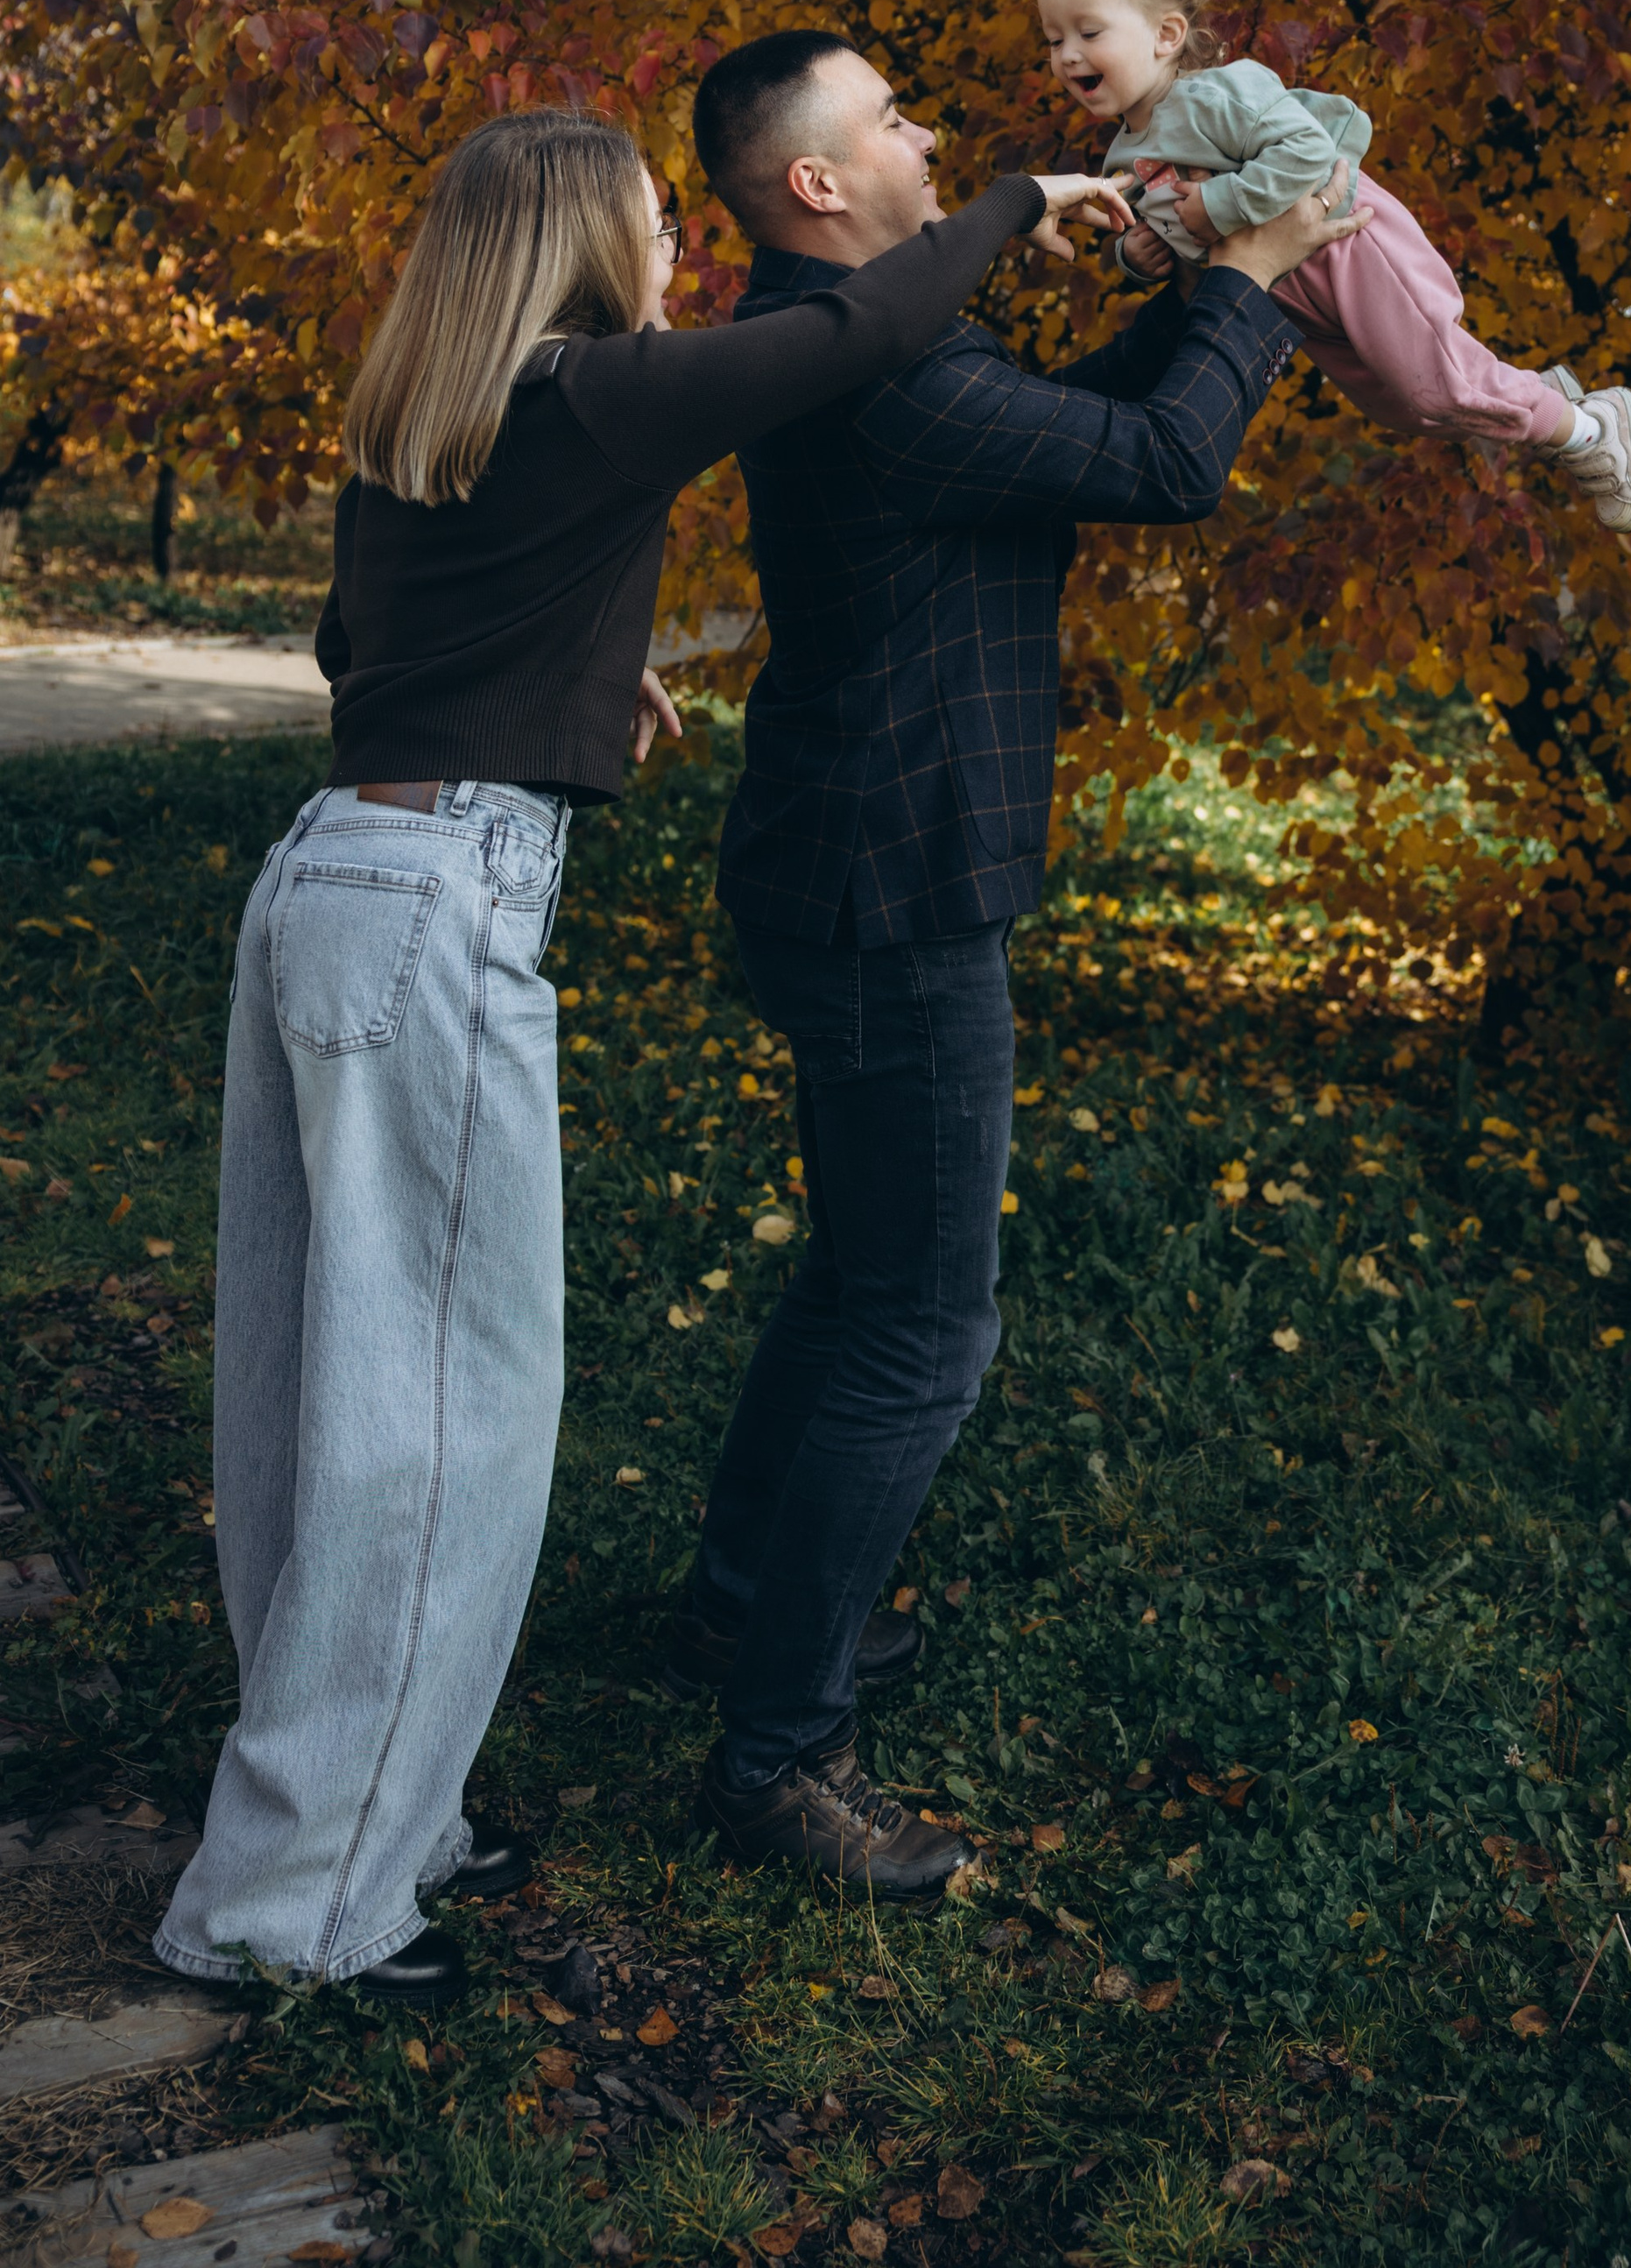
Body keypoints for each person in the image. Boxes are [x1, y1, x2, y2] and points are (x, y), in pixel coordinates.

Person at [152, 103, 1131, 2010]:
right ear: (591, 243)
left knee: (317, 1393)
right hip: (434, 905)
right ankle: (290, 1910)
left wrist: (584, 684)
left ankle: (375, 1818)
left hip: (336, 871)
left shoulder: (428, 403)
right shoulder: (599, 390)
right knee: (443, 1418)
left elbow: (370, 640)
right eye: (653, 227)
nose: (680, 254)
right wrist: (1020, 200)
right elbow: (850, 336)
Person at [665, 29, 1365, 1900]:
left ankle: (744, 1609)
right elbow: (1150, 466)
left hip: (848, 860)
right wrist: (1247, 275)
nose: (927, 134)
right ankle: (781, 1756)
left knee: (861, 1278)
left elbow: (1051, 440)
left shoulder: (882, 345)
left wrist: (1209, 286)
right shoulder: (877, 376)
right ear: (815, 184)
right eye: (888, 119)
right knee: (921, 1326)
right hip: (890, 888)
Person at [956, 0, 1631, 531]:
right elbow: (1173, 234)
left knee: (1437, 386)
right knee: (1403, 404)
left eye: (1087, 32)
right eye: (1053, 37)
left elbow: (1309, 154)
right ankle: (1545, 402)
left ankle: (1595, 429)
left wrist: (1218, 208)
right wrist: (1140, 255)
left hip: (1349, 242)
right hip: (1291, 288)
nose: (1066, 54)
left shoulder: (1219, 94)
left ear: (1166, 36)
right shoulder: (1123, 154)